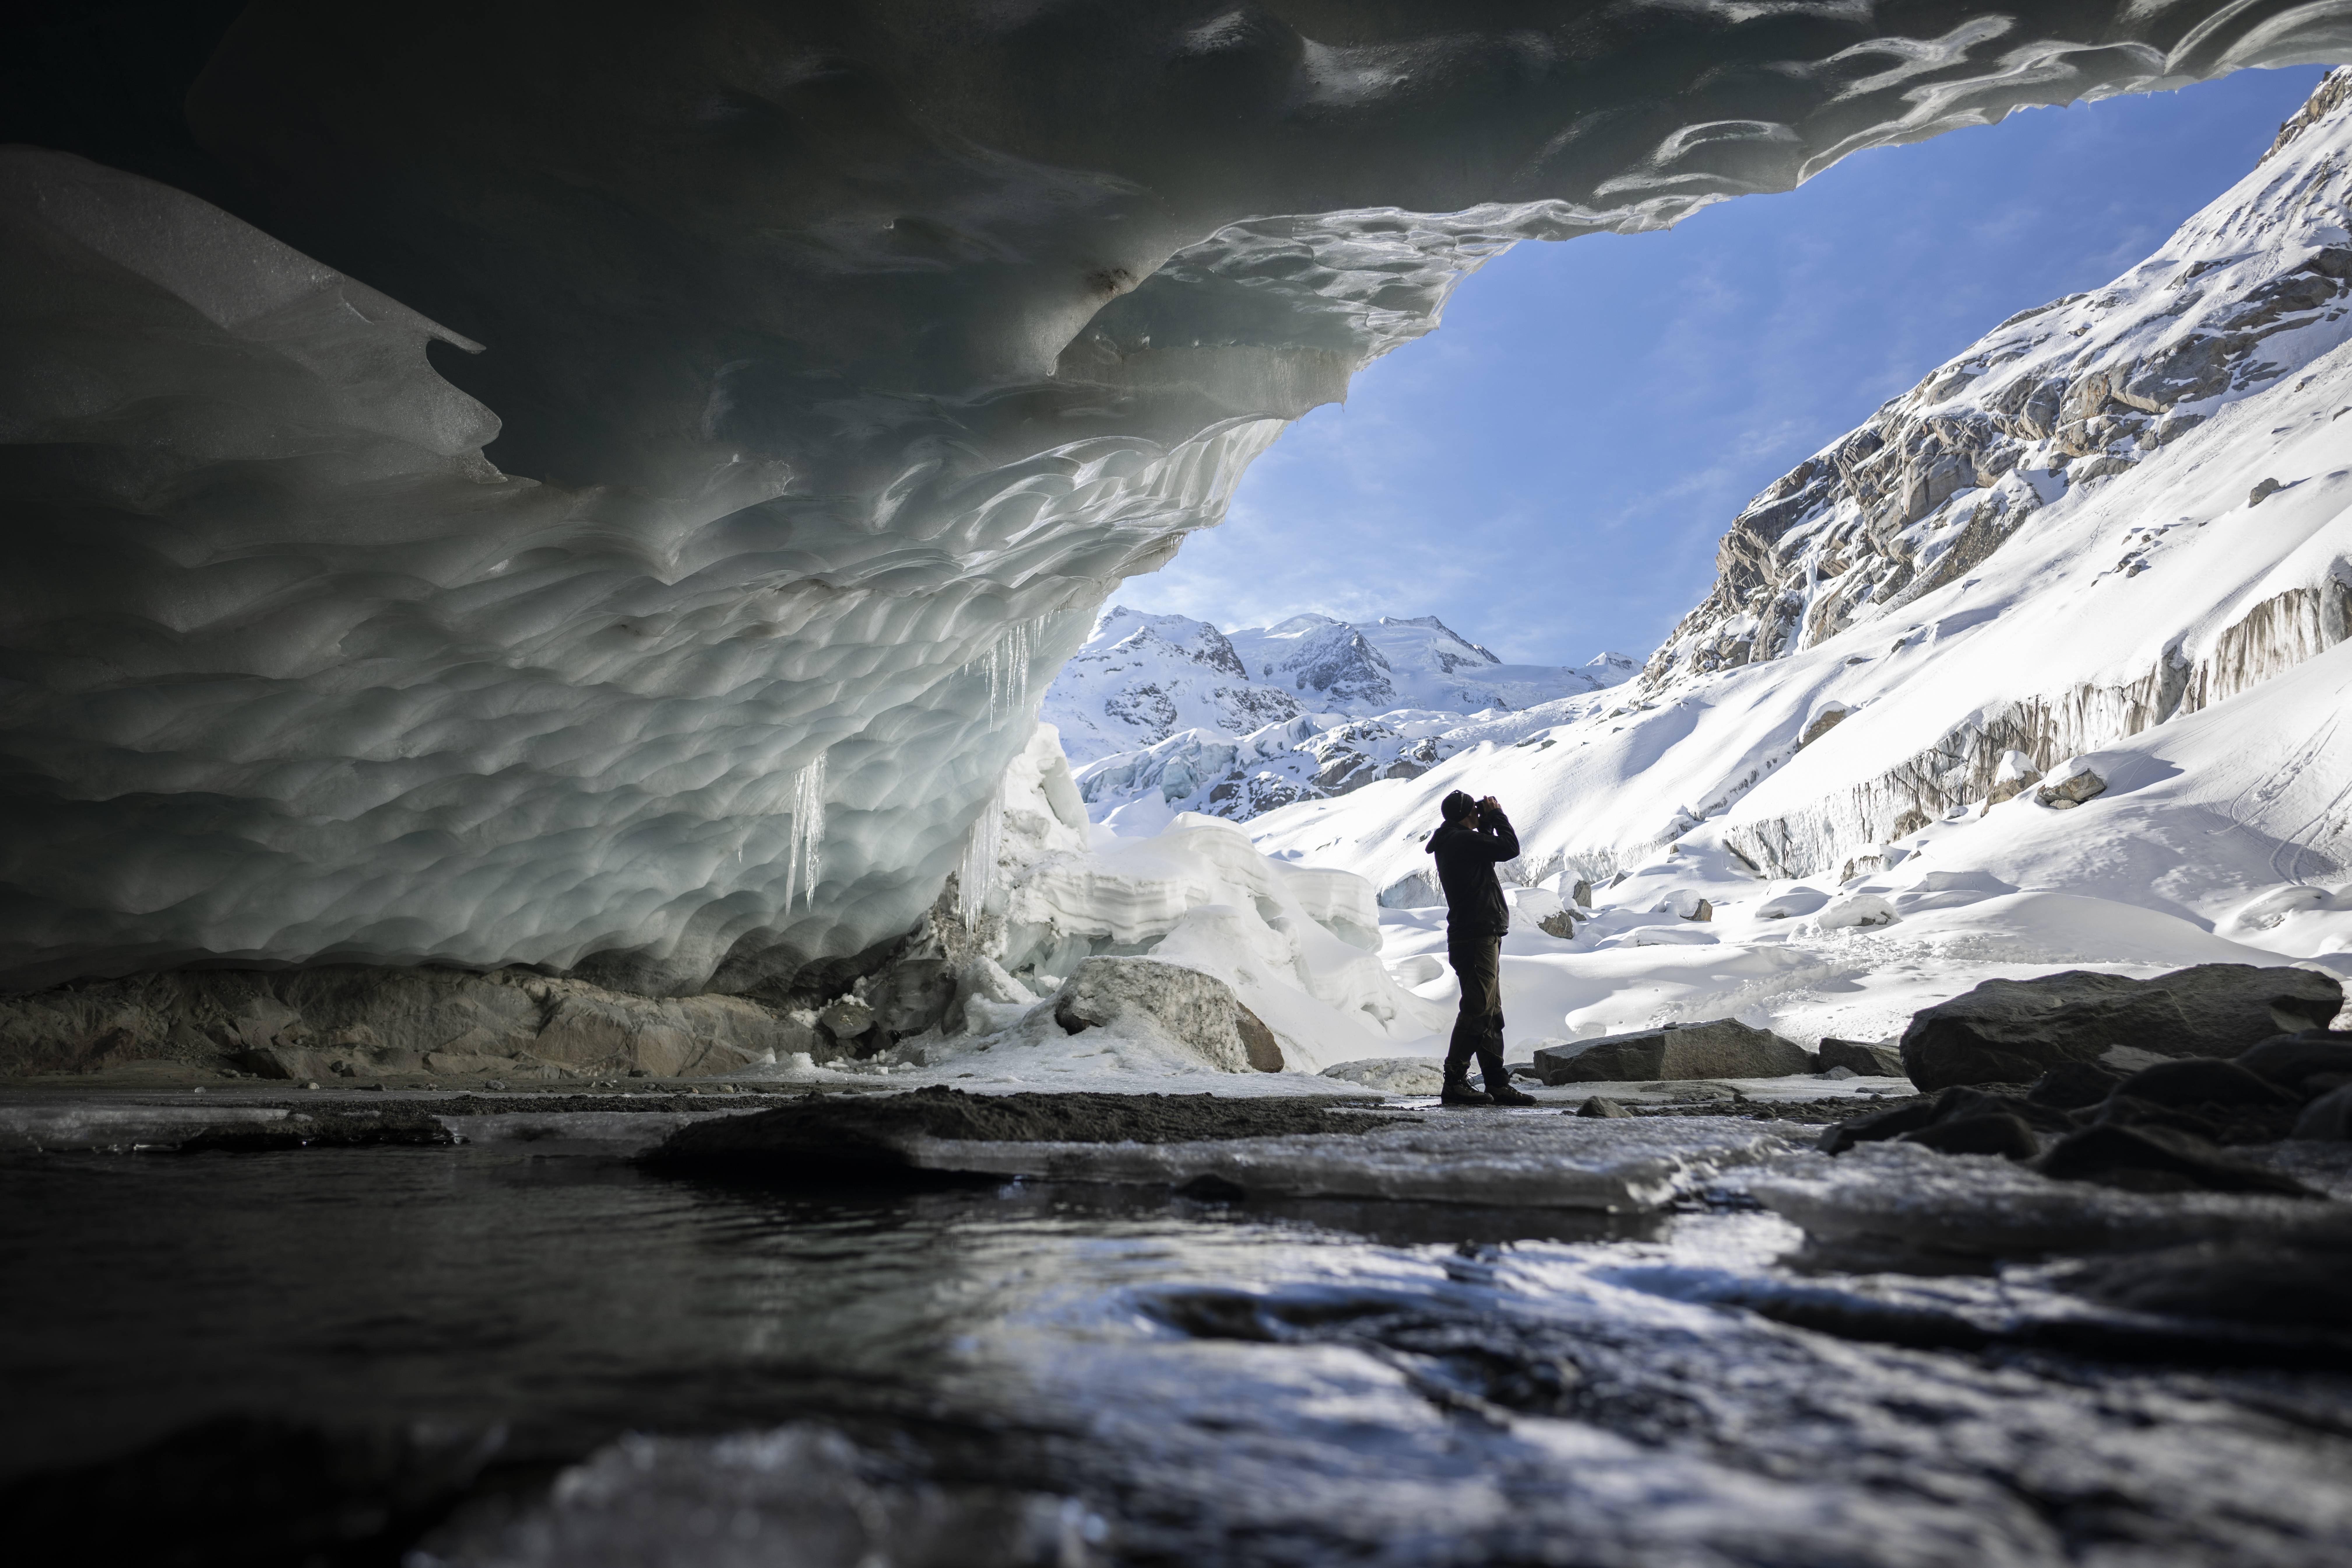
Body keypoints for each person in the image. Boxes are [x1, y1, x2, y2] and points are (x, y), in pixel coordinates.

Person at [1424, 789, 1537, 1107]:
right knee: (1478, 1010)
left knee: (1489, 1012)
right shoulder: (1460, 840)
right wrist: (1497, 816)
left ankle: (1496, 1083)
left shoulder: (1457, 841)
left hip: (1477, 935)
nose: (1478, 813)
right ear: (1465, 815)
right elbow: (1509, 848)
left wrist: (1483, 825)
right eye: (1474, 810)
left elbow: (1485, 854)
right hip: (1475, 937)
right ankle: (1455, 1081)